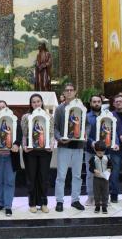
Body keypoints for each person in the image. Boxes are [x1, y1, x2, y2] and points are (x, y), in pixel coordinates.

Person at [0, 100, 22, 217]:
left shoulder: (15, 120)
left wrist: (17, 144)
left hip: (11, 157)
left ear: (7, 108)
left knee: (10, 181)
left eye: (3, 107)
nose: (1, 109)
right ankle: (1, 203)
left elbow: (19, 135)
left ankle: (8, 206)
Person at [54, 83, 85, 212]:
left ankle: (75, 200)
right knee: (61, 175)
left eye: (71, 90)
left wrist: (86, 132)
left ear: (75, 92)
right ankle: (60, 201)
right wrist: (59, 137)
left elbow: (86, 125)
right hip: (64, 146)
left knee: (77, 175)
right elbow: (55, 126)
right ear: (64, 93)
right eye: (67, 90)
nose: (69, 92)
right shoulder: (60, 109)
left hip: (78, 145)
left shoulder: (81, 108)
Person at [21, 94, 54, 213]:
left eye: (38, 101)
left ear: (42, 102)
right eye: (33, 102)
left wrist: (51, 145)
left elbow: (51, 134)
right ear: (31, 104)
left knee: (44, 177)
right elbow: (24, 134)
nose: (36, 104)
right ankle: (32, 203)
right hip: (31, 151)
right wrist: (24, 146)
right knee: (31, 177)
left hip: (45, 151)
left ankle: (44, 203)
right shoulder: (26, 117)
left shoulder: (49, 116)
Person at [84, 95, 102, 207]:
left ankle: (103, 196)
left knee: (104, 174)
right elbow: (84, 134)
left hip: (105, 151)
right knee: (90, 174)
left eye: (98, 101)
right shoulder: (86, 117)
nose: (96, 103)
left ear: (101, 103)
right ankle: (90, 197)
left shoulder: (107, 115)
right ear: (90, 103)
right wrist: (92, 142)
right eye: (94, 101)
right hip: (90, 150)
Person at [89, 141, 112, 214]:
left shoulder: (107, 158)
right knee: (97, 193)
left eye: (102, 152)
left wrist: (109, 168)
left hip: (105, 179)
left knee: (105, 192)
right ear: (95, 150)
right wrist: (94, 170)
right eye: (98, 153)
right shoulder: (93, 158)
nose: (100, 154)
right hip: (96, 179)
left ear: (104, 151)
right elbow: (90, 168)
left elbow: (111, 166)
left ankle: (104, 206)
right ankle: (97, 206)